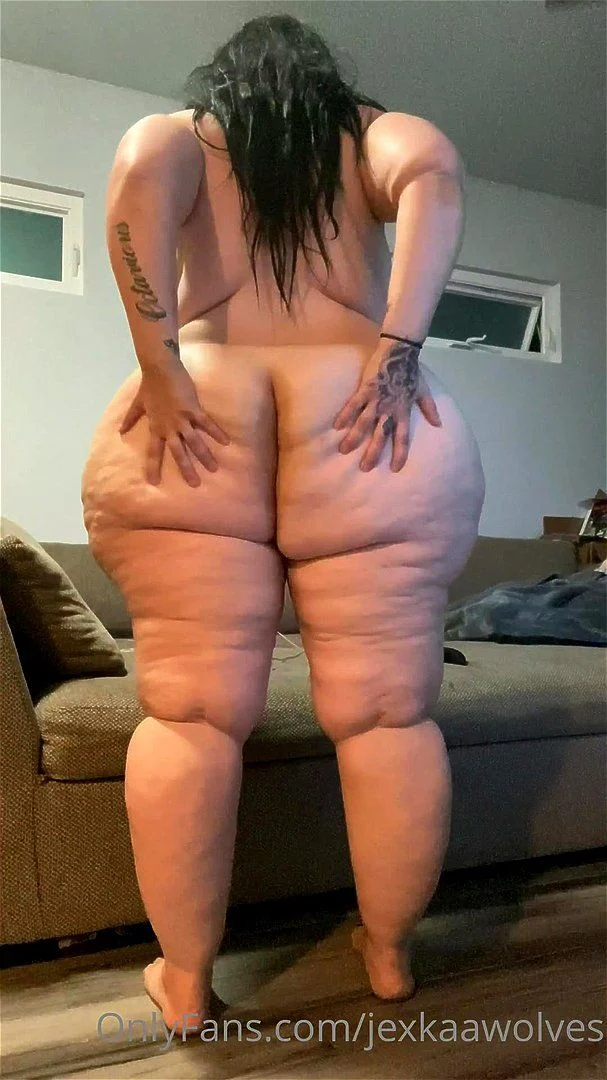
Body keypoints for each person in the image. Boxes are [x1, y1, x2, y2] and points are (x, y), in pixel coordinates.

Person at [81, 13, 485, 1035]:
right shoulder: (365, 134)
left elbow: (136, 175)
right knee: (389, 713)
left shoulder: (186, 135)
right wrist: (396, 348)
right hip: (363, 416)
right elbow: (433, 167)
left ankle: (184, 980)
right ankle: (387, 955)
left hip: (198, 407)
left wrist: (159, 365)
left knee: (188, 712)